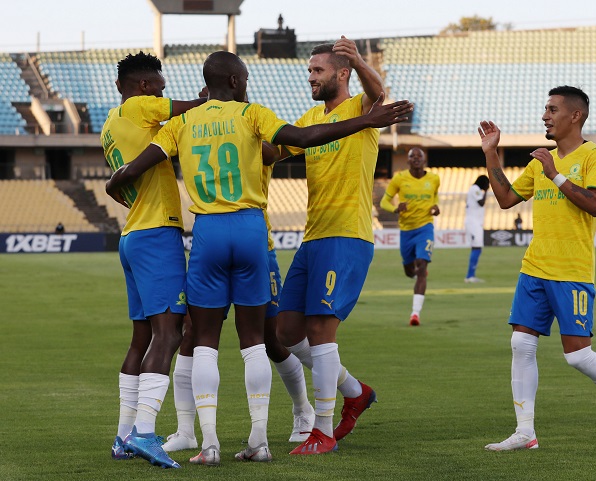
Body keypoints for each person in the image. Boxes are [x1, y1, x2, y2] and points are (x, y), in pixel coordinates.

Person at [106, 50, 412, 466]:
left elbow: (142, 163)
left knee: (203, 339)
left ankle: (210, 442)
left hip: (209, 230)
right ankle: (261, 439)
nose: (310, 76)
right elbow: (295, 142)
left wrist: (118, 179)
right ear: (235, 82)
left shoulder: (182, 122)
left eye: (316, 70)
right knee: (260, 339)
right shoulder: (254, 115)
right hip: (253, 229)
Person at [478, 85, 596, 451]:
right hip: (535, 267)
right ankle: (525, 432)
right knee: (521, 343)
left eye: (552, 109)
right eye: (545, 109)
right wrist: (492, 156)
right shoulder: (540, 161)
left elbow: (595, 205)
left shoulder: (594, 156)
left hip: (572, 271)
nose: (544, 116)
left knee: (578, 355)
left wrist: (554, 174)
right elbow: (505, 199)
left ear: (575, 116)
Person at [160, 146, 316, 461]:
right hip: (223, 243)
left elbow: (282, 148)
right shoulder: (207, 124)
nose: (204, 92)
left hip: (258, 246)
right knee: (192, 332)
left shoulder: (256, 129)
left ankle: (303, 410)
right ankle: (186, 431)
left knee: (270, 338)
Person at [275, 36, 388, 456]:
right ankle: (356, 392)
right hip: (313, 238)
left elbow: (379, 95)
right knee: (286, 331)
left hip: (347, 235)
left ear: (341, 73)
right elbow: (273, 150)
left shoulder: (360, 108)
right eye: (309, 71)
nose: (311, 77)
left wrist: (358, 59)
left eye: (317, 70)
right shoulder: (309, 118)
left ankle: (321, 431)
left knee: (321, 331)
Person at [101, 51, 206, 469]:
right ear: (145, 87)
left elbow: (119, 183)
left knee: (141, 338)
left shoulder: (110, 124)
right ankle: (145, 433)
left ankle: (123, 435)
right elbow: (195, 111)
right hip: (158, 232)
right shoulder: (144, 106)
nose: (165, 95)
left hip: (132, 235)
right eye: (161, 87)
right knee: (171, 332)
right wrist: (207, 98)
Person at [379, 147, 440, 326]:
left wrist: (436, 206)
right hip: (406, 230)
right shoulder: (399, 178)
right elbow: (384, 202)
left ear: (424, 160)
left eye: (418, 156)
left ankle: (415, 313)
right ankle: (415, 272)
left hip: (425, 227)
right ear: (407, 161)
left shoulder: (434, 179)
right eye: (412, 156)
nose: (415, 159)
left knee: (421, 267)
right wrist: (396, 208)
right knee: (409, 271)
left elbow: (435, 197)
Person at [464, 175, 490, 283]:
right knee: (477, 248)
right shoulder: (475, 189)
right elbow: (481, 202)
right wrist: (486, 191)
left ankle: (471, 275)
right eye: (487, 183)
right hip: (473, 223)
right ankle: (470, 276)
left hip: (475, 223)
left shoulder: (474, 189)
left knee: (476, 248)